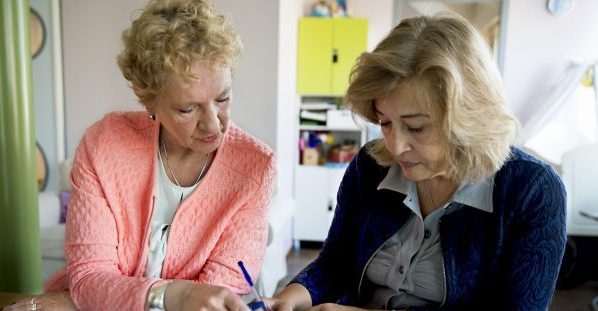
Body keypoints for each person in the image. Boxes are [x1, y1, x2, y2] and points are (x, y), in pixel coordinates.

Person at [268, 14, 566, 311]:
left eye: (416, 127)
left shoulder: (532, 191)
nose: (395, 146)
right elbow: (335, 263)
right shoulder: (370, 167)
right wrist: (289, 298)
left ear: (469, 117)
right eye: (384, 122)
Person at [4, 0, 276, 310]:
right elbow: (89, 277)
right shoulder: (104, 144)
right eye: (187, 109)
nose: (213, 123)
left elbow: (214, 297)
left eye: (223, 98)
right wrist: (175, 295)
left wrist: (91, 298)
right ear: (148, 101)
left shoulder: (257, 166)